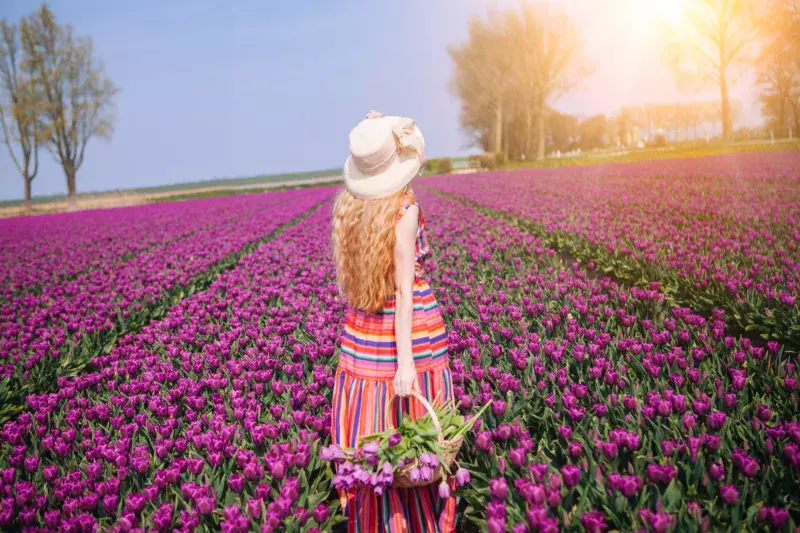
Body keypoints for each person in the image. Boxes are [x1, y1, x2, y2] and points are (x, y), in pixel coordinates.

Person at [330, 110, 457, 532]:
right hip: (406, 331)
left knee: (371, 419)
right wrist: (406, 364)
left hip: (361, 330)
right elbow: (404, 293)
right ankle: (410, 523)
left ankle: (370, 519)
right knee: (408, 425)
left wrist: (379, 128)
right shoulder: (404, 210)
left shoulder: (352, 207)